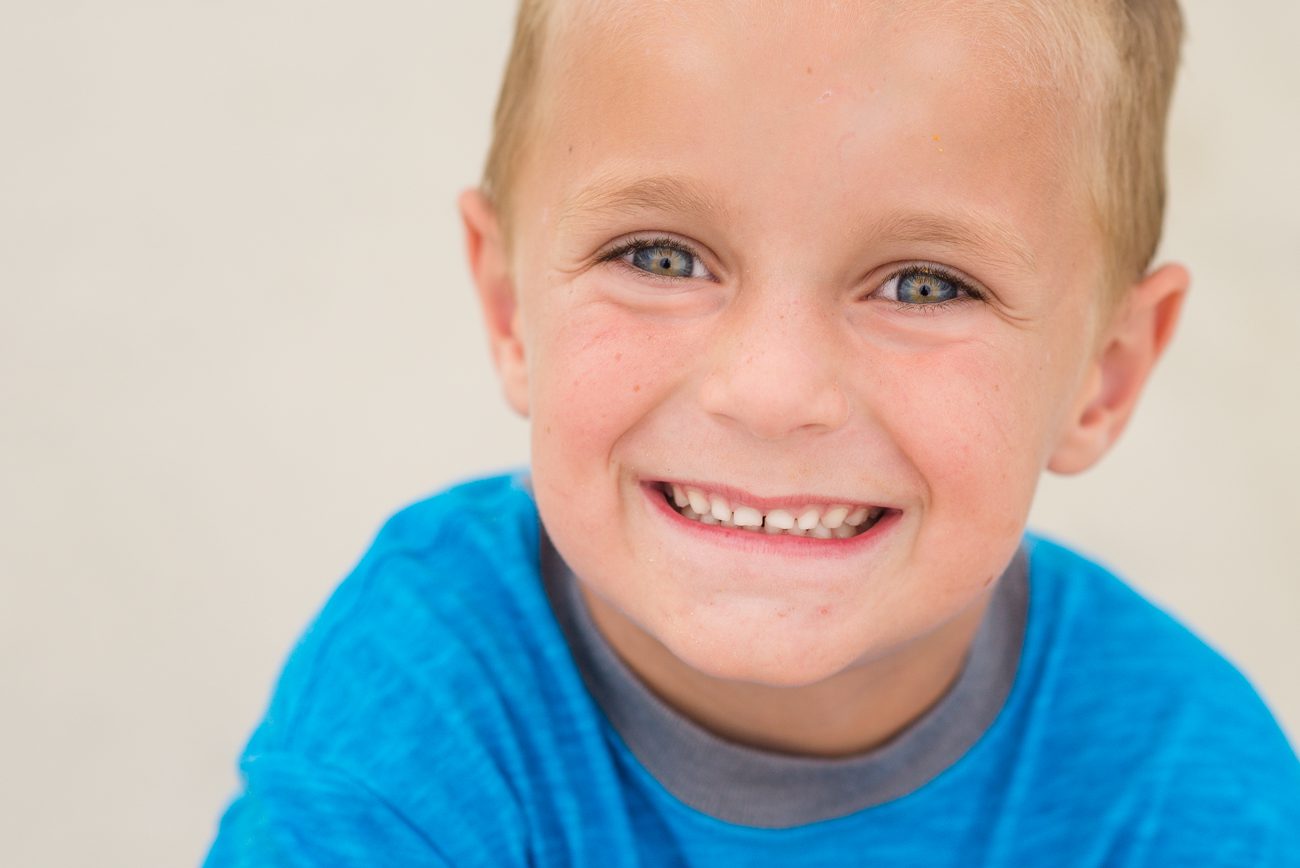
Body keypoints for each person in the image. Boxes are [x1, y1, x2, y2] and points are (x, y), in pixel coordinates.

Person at [204, 0, 1300, 864]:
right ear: (508, 312)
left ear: (1102, 375)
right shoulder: (418, 710)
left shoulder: (1186, 782)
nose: (771, 391)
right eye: (660, 257)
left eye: (922, 282)